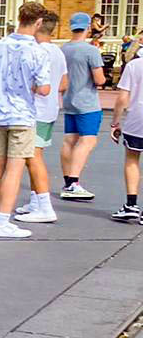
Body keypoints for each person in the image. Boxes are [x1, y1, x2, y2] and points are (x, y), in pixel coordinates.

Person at [0, 2, 52, 239]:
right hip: (21, 115)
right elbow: (45, 89)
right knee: (15, 169)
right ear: (38, 23)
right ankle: (2, 220)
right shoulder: (38, 52)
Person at [13, 9, 68, 225]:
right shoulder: (58, 52)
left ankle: (44, 205)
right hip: (50, 109)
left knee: (33, 158)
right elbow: (63, 84)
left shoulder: (36, 51)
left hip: (35, 110)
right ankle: (37, 200)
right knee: (34, 157)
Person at [59, 12, 108, 201]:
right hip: (87, 100)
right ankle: (73, 182)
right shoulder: (91, 51)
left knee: (69, 139)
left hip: (69, 98)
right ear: (88, 27)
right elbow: (99, 79)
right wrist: (103, 79)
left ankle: (67, 181)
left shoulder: (64, 49)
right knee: (88, 140)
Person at [109, 47, 143, 222]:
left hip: (137, 118)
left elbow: (122, 97)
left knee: (132, 159)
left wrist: (115, 122)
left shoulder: (134, 65)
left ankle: (131, 204)